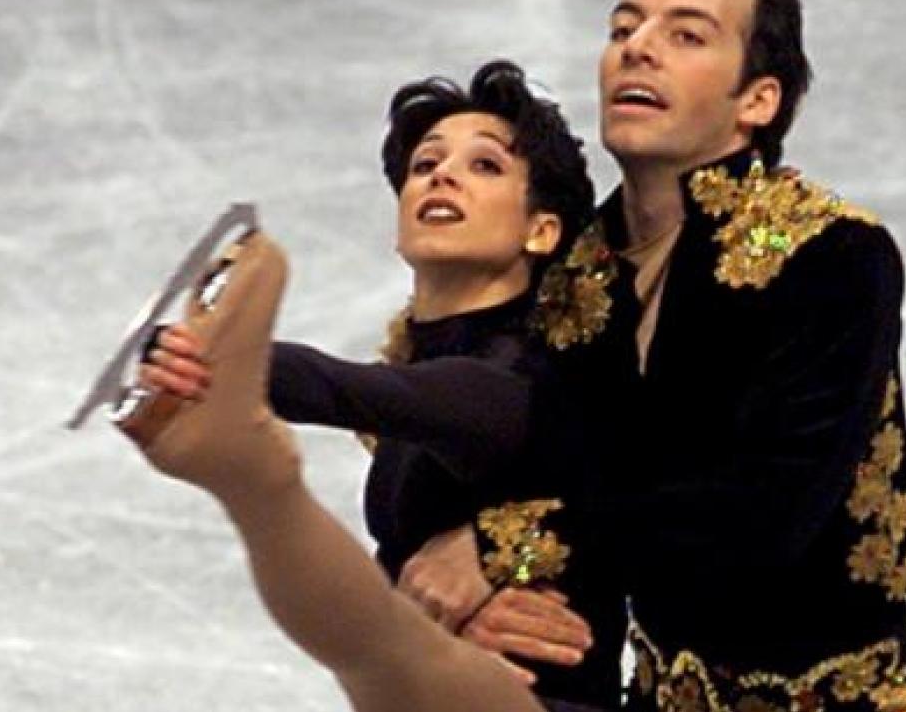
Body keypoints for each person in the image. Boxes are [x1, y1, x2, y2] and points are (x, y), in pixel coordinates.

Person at [410, 0, 906, 710]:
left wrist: (504, 550)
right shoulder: (576, 270)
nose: (639, 48)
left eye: (686, 35)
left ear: (757, 100)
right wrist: (482, 598)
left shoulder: (830, 256)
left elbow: (764, 514)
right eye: (623, 28)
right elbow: (514, 460)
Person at [130, 60, 633, 712]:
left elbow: (348, 390)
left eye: (485, 165)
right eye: (425, 164)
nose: (442, 175)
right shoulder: (438, 368)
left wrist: (219, 354)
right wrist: (430, 626)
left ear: (541, 230)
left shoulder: (515, 377)